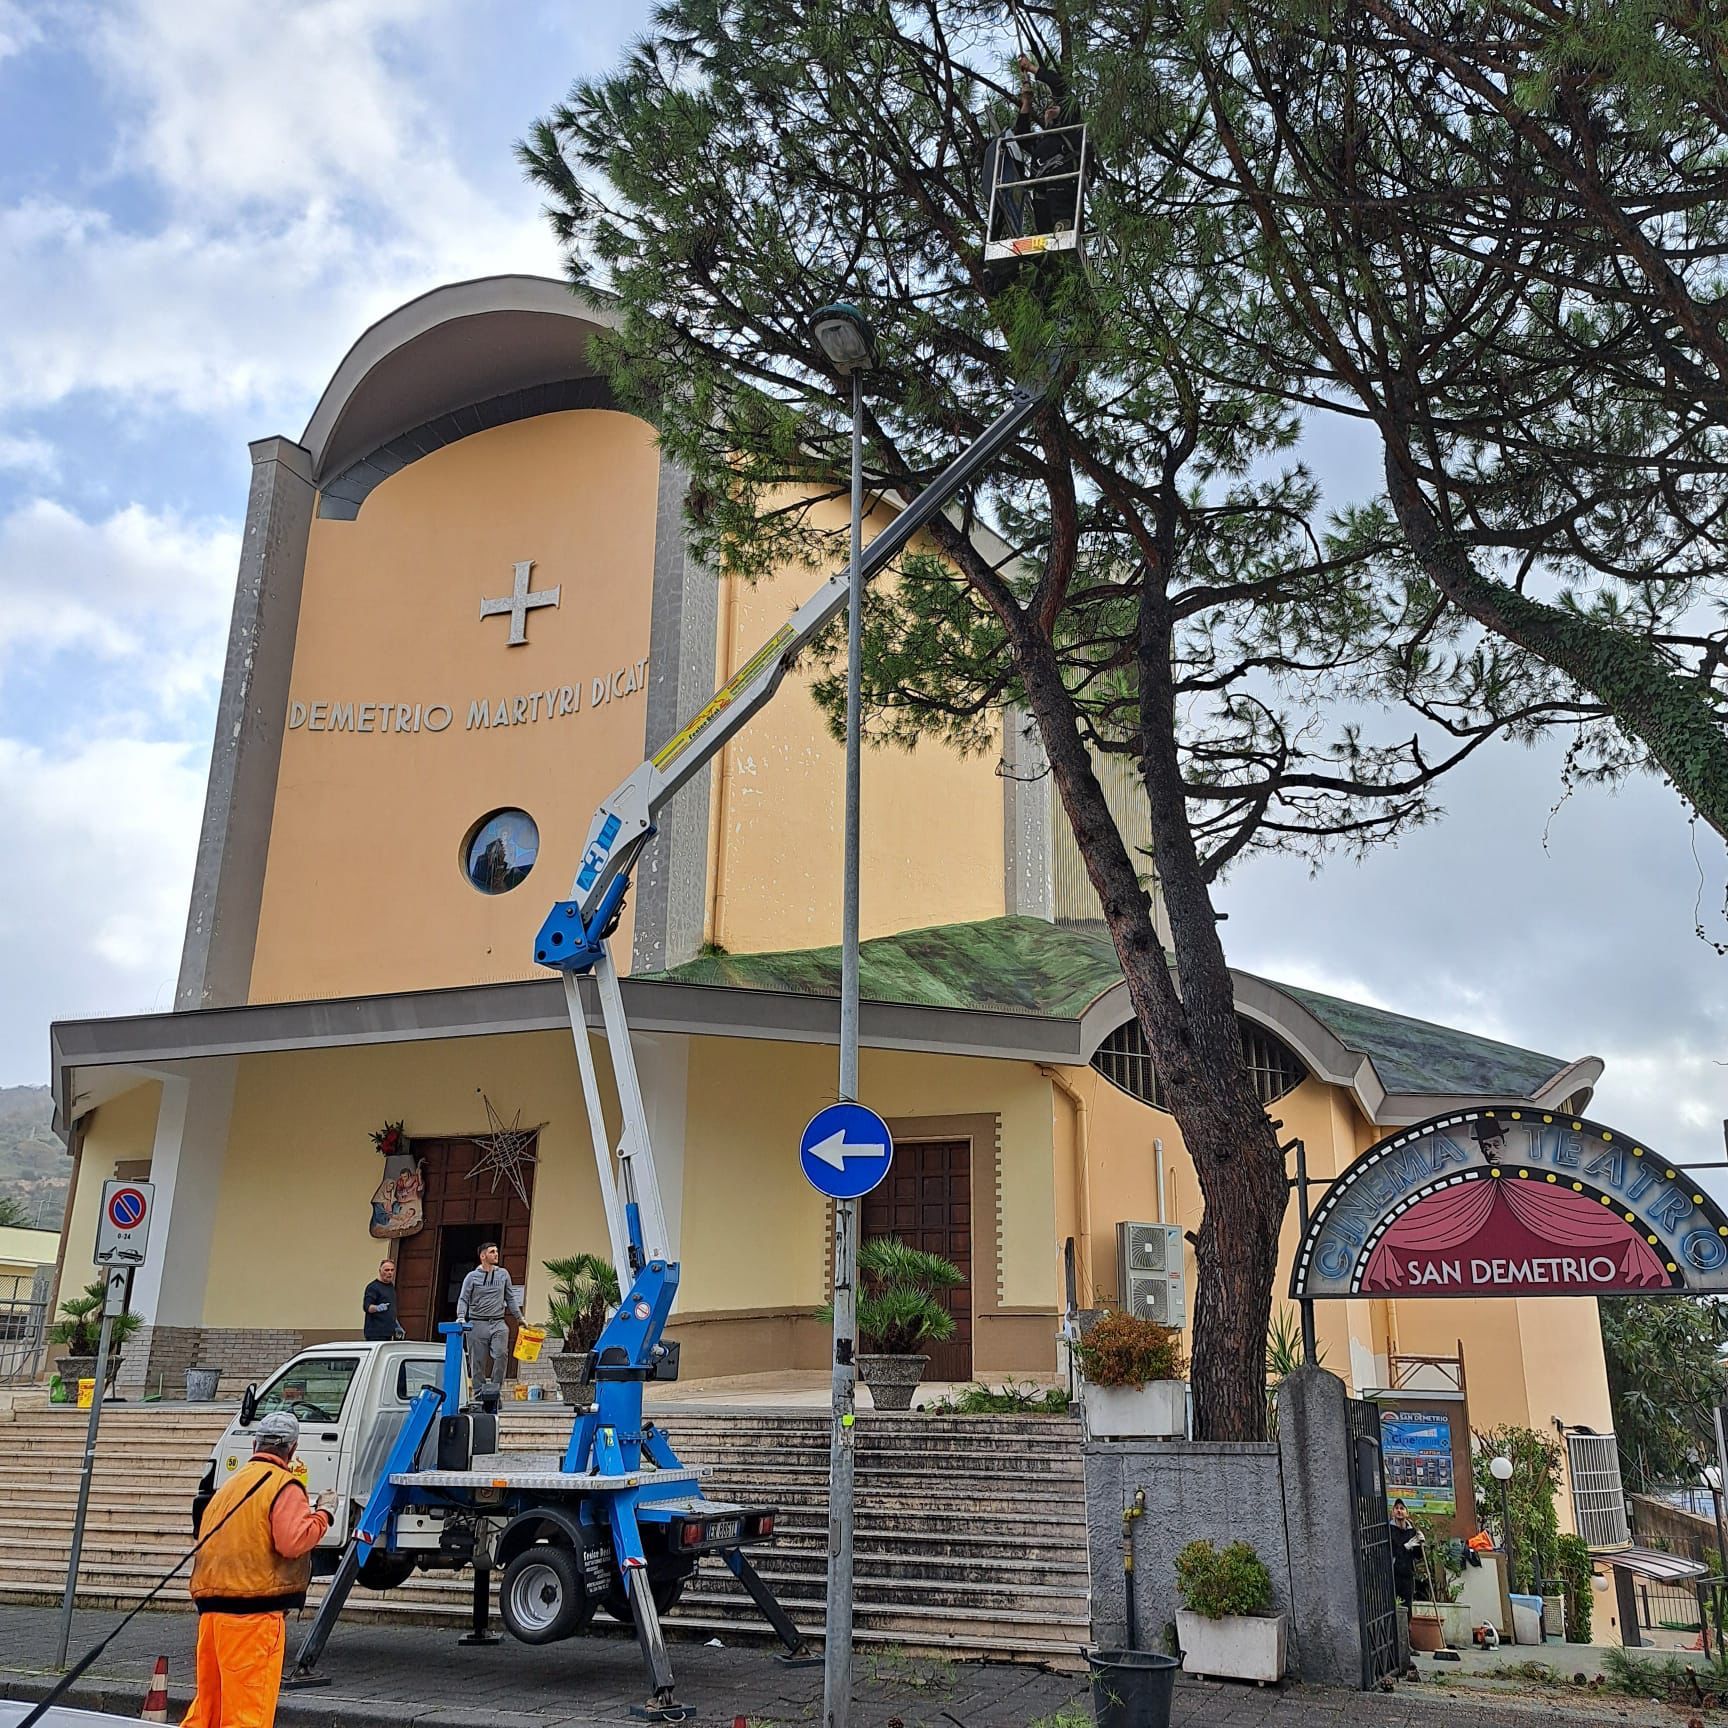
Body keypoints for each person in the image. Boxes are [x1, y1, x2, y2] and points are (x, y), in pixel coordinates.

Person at [184, 1410, 339, 1728]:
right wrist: (324, 1513)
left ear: (255, 1445)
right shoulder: (284, 1485)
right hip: (252, 1615)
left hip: (212, 1614)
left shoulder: (230, 1485)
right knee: (247, 1713)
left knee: (209, 1710)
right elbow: (293, 1541)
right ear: (292, 1449)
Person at [456, 1241, 522, 1393]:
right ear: (483, 1256)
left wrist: (520, 1318)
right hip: (477, 1323)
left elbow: (510, 1298)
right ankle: (479, 1392)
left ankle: (494, 1390)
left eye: (496, 1251)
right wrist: (460, 1317)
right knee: (477, 1361)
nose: (496, 1254)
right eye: (492, 1252)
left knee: (501, 1354)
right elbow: (463, 1298)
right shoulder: (471, 1277)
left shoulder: (503, 1274)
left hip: (498, 1322)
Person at [1390, 1499, 1427, 1609]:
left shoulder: (1412, 1531)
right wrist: (1406, 1547)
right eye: (1396, 1508)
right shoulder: (1389, 1530)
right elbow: (1391, 1551)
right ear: (1393, 1512)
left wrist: (1421, 1544)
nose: (1399, 1511)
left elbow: (1418, 1556)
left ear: (1407, 1512)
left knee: (1407, 1606)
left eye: (1402, 1508)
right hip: (1393, 1574)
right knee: (1393, 1605)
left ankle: (1406, 1626)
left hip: (1407, 1574)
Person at [362, 1258, 400, 1341]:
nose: (389, 1273)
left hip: (388, 1332)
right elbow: (367, 1307)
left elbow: (391, 1309)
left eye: (392, 1270)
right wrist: (377, 1308)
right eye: (386, 1270)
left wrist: (396, 1324)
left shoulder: (391, 1287)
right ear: (380, 1271)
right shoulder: (373, 1287)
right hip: (375, 1333)